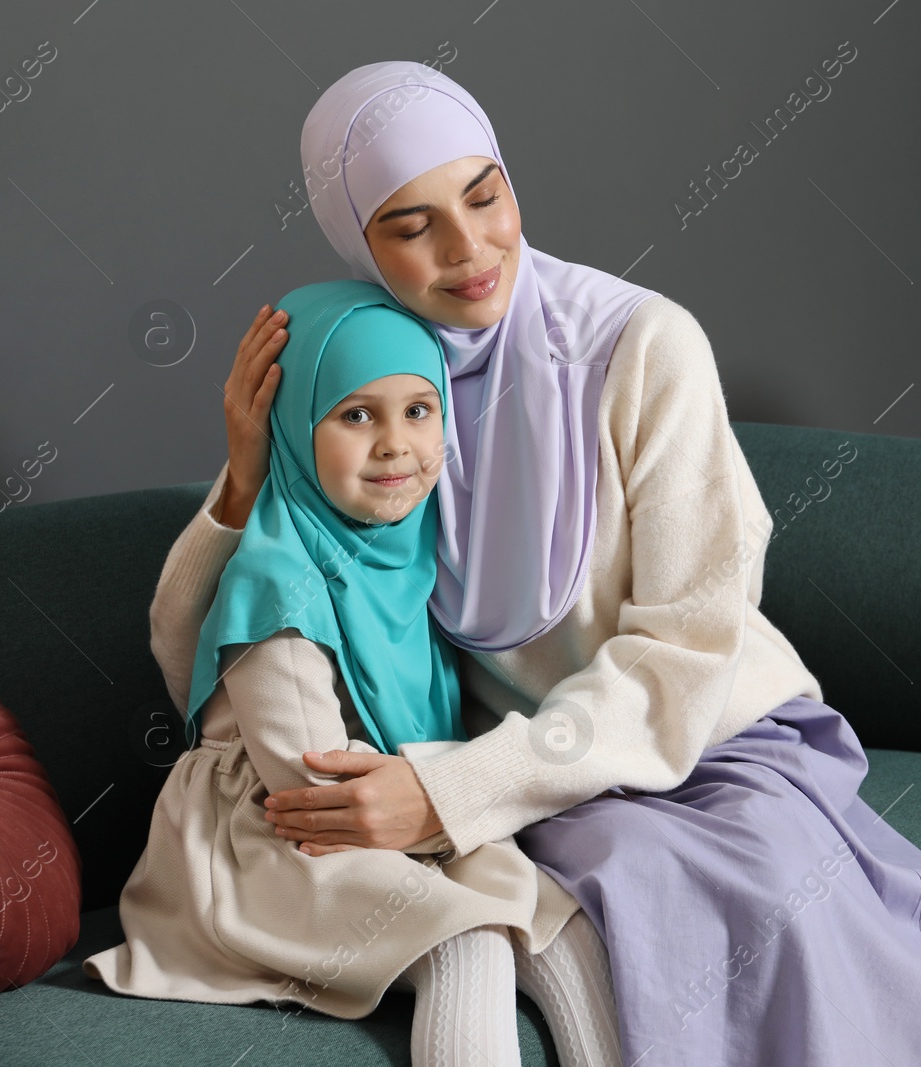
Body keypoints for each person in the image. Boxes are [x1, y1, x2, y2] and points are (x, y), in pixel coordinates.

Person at [148, 60, 921, 1066]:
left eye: (483, 193)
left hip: (699, 734)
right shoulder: (368, 368)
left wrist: (450, 791)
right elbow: (204, 652)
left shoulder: (642, 346)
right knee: (604, 884)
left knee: (755, 896)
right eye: (412, 225)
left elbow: (685, 653)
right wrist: (243, 482)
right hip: (521, 774)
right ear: (358, 241)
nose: (469, 249)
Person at [85, 279, 617, 1066]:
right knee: (465, 940)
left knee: (561, 925)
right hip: (276, 843)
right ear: (296, 428)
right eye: (356, 414)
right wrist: (448, 793)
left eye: (419, 409)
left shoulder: (417, 541)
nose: (397, 444)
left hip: (401, 806)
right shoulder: (279, 584)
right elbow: (313, 788)